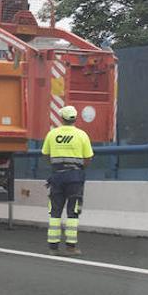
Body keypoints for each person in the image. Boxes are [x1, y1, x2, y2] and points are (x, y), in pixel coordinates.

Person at [42, 105, 94, 257]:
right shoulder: (82, 135)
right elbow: (88, 158)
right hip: (75, 178)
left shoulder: (52, 134)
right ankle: (71, 247)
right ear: (75, 118)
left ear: (61, 118)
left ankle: (53, 247)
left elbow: (45, 154)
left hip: (57, 177)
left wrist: (56, 165)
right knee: (73, 211)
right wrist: (78, 168)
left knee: (55, 211)